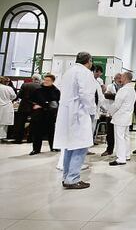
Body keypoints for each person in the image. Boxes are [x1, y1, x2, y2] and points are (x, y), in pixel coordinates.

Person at [53, 52, 97, 190]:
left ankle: (66, 177)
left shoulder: (69, 71)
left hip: (66, 112)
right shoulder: (85, 72)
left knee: (69, 145)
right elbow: (86, 94)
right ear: (89, 61)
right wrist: (92, 111)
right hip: (79, 112)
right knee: (80, 145)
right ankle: (73, 178)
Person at [108, 72, 136, 166]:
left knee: (119, 137)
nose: (120, 78)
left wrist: (110, 112)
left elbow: (116, 105)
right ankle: (127, 155)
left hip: (120, 117)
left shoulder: (123, 90)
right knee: (126, 137)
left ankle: (121, 158)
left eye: (122, 76)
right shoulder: (132, 90)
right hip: (127, 116)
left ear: (126, 78)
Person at [29, 74, 61, 155]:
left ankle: (53, 147)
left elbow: (55, 102)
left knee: (51, 131)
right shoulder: (38, 90)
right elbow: (30, 99)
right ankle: (36, 149)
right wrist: (34, 105)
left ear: (53, 81)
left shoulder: (56, 91)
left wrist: (42, 105)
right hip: (39, 114)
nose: (46, 82)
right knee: (37, 132)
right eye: (45, 80)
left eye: (48, 80)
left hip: (50, 114)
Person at [13, 74, 41, 144]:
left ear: (33, 78)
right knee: (33, 124)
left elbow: (19, 96)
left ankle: (18, 139)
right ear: (39, 79)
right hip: (35, 107)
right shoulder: (41, 87)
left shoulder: (25, 85)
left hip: (24, 106)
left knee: (20, 123)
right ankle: (30, 139)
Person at [101, 73, 122, 156]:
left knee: (119, 134)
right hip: (110, 112)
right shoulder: (110, 86)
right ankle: (109, 150)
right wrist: (116, 96)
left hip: (119, 113)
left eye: (121, 78)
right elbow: (106, 95)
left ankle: (119, 152)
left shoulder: (124, 87)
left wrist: (114, 96)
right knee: (110, 133)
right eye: (118, 78)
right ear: (115, 79)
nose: (120, 80)